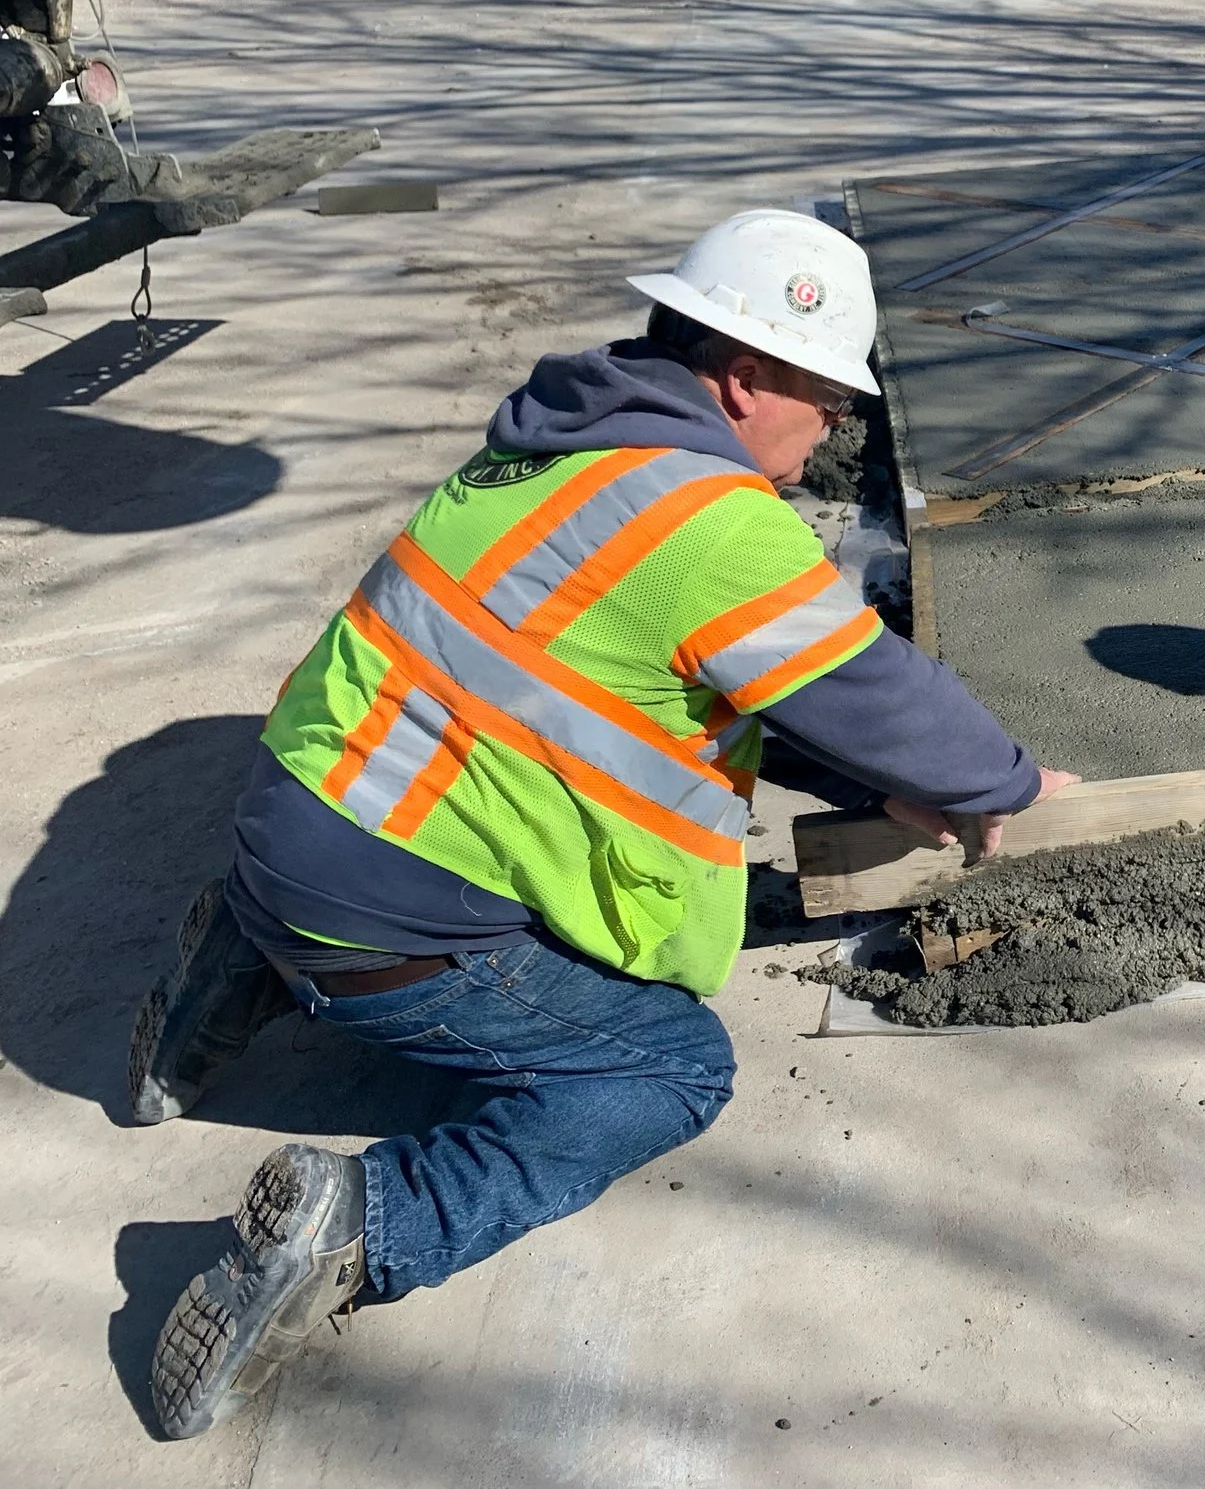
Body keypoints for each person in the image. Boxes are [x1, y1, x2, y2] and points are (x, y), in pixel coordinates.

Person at [130, 210, 1074, 1440]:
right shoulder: (712, 522)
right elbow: (881, 696)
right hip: (388, 915)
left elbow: (633, 685)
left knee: (347, 909)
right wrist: (1005, 782)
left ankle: (244, 962)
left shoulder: (563, 448)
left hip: (293, 823)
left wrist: (859, 791)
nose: (834, 428)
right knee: (667, 1068)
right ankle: (360, 1222)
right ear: (748, 377)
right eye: (829, 399)